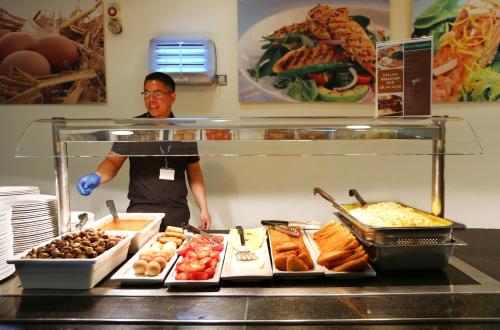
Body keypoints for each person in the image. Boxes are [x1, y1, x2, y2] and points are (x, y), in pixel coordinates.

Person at [76, 72, 211, 231]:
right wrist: (97, 176)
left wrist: (203, 209)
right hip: (141, 214)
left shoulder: (185, 132)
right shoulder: (134, 130)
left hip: (177, 214)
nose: (150, 99)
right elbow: (112, 162)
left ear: (172, 97)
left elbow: (194, 172)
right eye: (146, 93)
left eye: (157, 93)